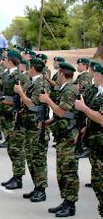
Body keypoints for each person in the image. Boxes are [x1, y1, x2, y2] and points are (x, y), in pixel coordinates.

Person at [39, 62, 79, 217]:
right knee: (62, 171)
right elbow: (64, 114)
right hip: (62, 134)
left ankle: (71, 204)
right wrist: (48, 122)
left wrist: (48, 100)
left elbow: (62, 112)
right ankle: (65, 201)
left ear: (62, 74)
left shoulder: (69, 90)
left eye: (58, 74)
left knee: (69, 171)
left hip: (69, 136)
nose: (57, 77)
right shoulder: (65, 89)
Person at [13, 58, 50, 200]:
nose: (28, 70)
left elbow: (33, 104)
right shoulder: (33, 82)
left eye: (29, 68)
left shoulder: (41, 83)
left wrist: (20, 92)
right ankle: (36, 187)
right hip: (29, 127)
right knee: (30, 158)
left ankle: (41, 189)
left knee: (38, 159)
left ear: (33, 68)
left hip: (37, 128)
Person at [75, 63, 103, 218]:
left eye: (95, 75)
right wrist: (87, 127)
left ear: (99, 75)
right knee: (98, 185)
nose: (93, 77)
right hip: (96, 146)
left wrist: (84, 108)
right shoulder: (99, 92)